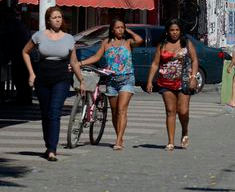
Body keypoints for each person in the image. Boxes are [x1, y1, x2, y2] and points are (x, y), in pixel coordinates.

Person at [20, 6, 85, 161]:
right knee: (45, 113)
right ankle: (48, 144)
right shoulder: (39, 36)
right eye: (55, 17)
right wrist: (31, 73)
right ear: (48, 20)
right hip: (42, 78)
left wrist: (81, 80)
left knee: (54, 112)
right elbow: (25, 52)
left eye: (60, 17)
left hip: (61, 78)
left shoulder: (69, 38)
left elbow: (74, 62)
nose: (58, 19)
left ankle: (52, 149)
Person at [77, 19, 144, 150]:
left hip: (127, 79)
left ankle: (118, 140)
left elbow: (140, 40)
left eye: (122, 27)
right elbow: (96, 57)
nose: (120, 30)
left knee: (121, 110)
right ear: (112, 30)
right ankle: (119, 135)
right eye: (117, 28)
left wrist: (128, 29)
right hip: (111, 81)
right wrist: (80, 63)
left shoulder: (128, 42)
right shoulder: (106, 43)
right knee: (114, 112)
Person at [145, 19, 199, 151]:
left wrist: (193, 77)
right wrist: (149, 81)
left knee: (183, 111)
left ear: (180, 31)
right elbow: (155, 64)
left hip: (183, 82)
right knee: (170, 111)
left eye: (177, 30)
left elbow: (194, 60)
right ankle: (170, 142)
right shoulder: (162, 45)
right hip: (165, 82)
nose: (174, 33)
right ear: (168, 31)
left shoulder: (186, 43)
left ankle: (185, 130)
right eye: (172, 30)